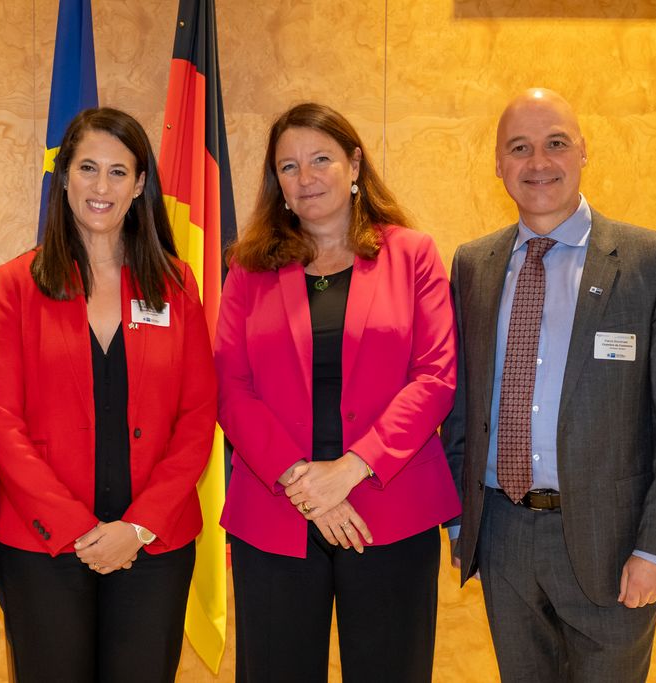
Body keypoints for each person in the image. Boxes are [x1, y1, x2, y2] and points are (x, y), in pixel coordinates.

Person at [442, 88, 656, 682]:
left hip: (614, 546)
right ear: (498, 164)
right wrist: (465, 526)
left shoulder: (651, 261)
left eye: (555, 143)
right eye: (520, 148)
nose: (539, 163)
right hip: (504, 539)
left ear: (584, 151)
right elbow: (459, 407)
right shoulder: (473, 265)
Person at [215, 102, 460, 682]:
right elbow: (230, 386)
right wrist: (306, 485)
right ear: (276, 183)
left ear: (354, 164)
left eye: (320, 159)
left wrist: (350, 469)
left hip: (391, 510)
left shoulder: (413, 254)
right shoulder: (247, 269)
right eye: (289, 166)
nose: (306, 178)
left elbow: (435, 376)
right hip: (276, 513)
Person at [0, 107, 216, 682]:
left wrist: (136, 528)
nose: (101, 186)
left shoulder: (177, 285)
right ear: (64, 178)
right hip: (45, 548)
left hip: (153, 546)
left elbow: (197, 418)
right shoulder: (16, 285)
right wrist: (78, 530)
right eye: (87, 167)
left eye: (118, 171)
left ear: (139, 185)